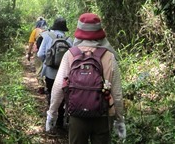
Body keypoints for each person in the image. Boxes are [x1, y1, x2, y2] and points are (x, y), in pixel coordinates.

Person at [45, 13, 126, 144]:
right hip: (103, 116)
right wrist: (119, 119)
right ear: (99, 31)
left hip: (76, 115)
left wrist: (52, 114)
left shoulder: (70, 55)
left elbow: (58, 86)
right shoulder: (109, 56)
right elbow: (117, 94)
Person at [37, 16, 73, 129]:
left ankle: (52, 117)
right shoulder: (69, 40)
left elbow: (40, 54)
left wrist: (47, 62)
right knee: (63, 95)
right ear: (64, 28)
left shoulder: (47, 36)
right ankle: (61, 119)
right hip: (65, 74)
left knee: (51, 93)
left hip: (50, 72)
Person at [26, 17, 48, 93]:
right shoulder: (49, 31)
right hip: (48, 52)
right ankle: (48, 86)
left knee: (39, 68)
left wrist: (29, 53)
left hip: (38, 52)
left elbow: (31, 43)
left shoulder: (35, 31)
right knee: (46, 68)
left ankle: (41, 86)